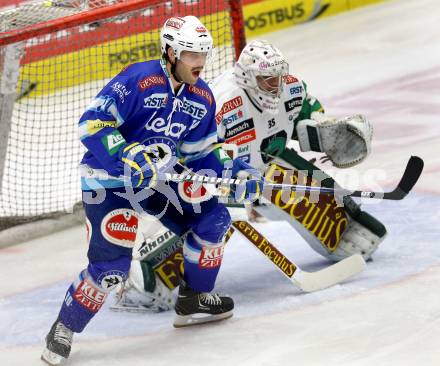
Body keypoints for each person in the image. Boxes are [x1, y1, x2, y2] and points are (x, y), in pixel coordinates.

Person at [41, 16, 263, 366]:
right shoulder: (138, 79)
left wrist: (236, 169)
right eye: (192, 54)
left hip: (159, 182)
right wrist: (125, 152)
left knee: (214, 220)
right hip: (109, 182)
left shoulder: (201, 97)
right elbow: (92, 123)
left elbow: (202, 152)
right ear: (171, 51)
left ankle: (193, 298)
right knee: (111, 269)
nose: (200, 62)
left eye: (203, 53)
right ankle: (64, 326)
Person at [111, 39, 387, 313]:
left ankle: (335, 229)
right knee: (212, 220)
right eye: (268, 79)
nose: (276, 85)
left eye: (279, 76)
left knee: (357, 236)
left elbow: (306, 118)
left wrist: (325, 133)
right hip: (214, 178)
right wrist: (220, 187)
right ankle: (146, 274)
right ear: (248, 78)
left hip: (264, 170)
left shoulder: (290, 88)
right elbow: (191, 154)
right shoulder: (220, 102)